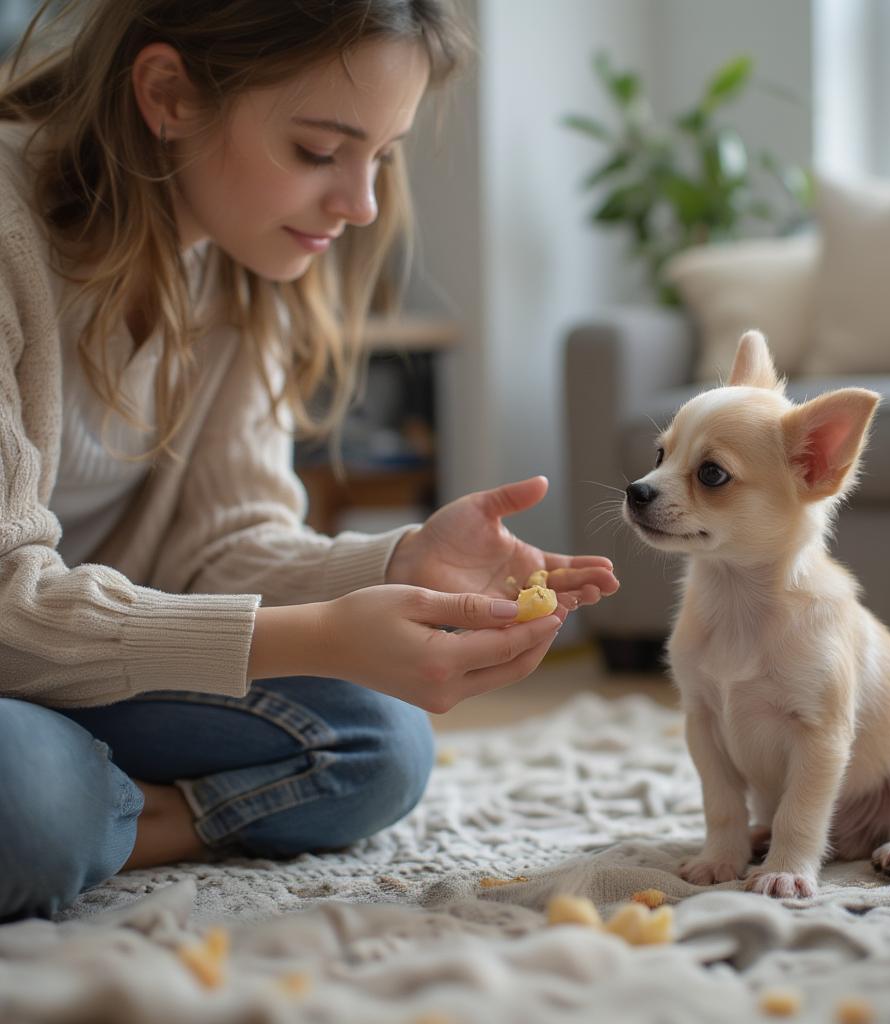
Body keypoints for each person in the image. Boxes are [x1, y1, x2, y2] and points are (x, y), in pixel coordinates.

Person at [0, 0, 619, 923]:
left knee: (382, 735)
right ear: (167, 93)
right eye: (320, 151)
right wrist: (320, 633)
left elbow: (221, 546)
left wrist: (399, 564)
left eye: (383, 155)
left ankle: (110, 813)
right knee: (26, 801)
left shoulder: (234, 256)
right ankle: (94, 808)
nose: (361, 204)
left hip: (73, 662)